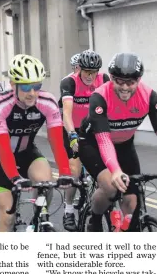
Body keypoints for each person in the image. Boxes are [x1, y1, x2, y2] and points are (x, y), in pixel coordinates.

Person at [0, 54, 73, 232]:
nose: (32, 92)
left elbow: (56, 142)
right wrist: (15, 177)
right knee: (8, 216)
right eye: (26, 87)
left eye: (36, 86)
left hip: (28, 152)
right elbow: (3, 148)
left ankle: (37, 221)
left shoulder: (47, 102)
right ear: (13, 85)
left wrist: (65, 171)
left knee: (46, 183)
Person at [78, 52, 157, 232]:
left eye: (131, 82)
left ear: (139, 80)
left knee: (131, 200)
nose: (125, 87)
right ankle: (95, 219)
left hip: (124, 145)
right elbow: (104, 140)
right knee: (111, 186)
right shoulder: (100, 97)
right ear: (111, 77)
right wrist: (115, 171)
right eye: (119, 81)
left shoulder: (149, 97)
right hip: (92, 144)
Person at [59, 50, 110, 231]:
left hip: (94, 129)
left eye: (94, 71)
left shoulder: (104, 80)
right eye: (86, 71)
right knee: (74, 168)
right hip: (73, 128)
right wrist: (72, 134)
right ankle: (69, 209)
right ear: (79, 68)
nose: (90, 76)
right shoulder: (69, 82)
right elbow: (66, 112)